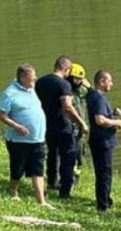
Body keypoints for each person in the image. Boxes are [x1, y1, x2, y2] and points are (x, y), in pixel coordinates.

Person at [0, 63, 50, 206]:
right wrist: (16, 126)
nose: (35, 80)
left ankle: (41, 201)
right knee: (17, 168)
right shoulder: (9, 93)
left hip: (37, 138)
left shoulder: (31, 89)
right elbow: (0, 115)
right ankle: (13, 192)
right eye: (32, 78)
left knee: (38, 170)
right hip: (18, 140)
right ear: (23, 77)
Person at [35, 56, 89, 198]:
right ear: (66, 69)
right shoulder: (64, 84)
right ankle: (65, 190)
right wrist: (81, 123)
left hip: (45, 123)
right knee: (68, 155)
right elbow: (68, 107)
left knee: (52, 152)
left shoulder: (40, 81)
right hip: (62, 125)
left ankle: (52, 181)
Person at [85, 70, 121, 212]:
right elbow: (100, 120)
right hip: (102, 141)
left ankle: (105, 198)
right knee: (104, 173)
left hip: (98, 140)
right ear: (102, 82)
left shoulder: (92, 96)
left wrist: (112, 114)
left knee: (102, 171)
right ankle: (103, 204)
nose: (111, 84)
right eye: (110, 81)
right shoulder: (99, 98)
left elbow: (100, 115)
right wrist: (117, 122)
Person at [67, 63, 89, 181]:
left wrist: (89, 87)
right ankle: (68, 178)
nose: (79, 82)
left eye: (80, 80)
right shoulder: (66, 92)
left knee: (80, 154)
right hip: (70, 129)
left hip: (81, 130)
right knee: (69, 154)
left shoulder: (81, 91)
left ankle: (76, 177)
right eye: (76, 79)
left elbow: (95, 96)